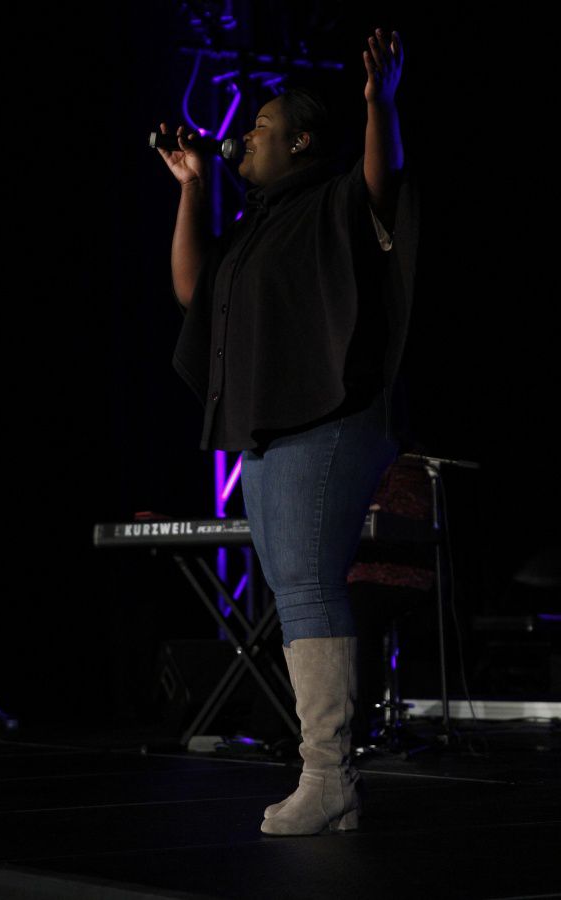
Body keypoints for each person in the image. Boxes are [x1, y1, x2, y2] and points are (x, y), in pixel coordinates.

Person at [157, 28, 419, 835]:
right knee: (293, 585)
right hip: (269, 427)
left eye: (260, 127)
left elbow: (382, 182)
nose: (244, 136)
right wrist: (192, 187)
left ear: (300, 140)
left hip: (329, 418)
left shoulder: (333, 200)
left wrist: (380, 106)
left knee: (306, 583)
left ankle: (327, 776)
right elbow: (193, 291)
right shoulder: (256, 225)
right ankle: (329, 783)